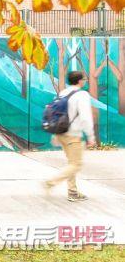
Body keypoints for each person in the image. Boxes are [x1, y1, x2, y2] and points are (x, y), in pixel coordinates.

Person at [44, 71, 96, 202]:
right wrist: (91, 137)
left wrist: (56, 134)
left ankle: (72, 192)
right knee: (76, 164)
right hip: (73, 135)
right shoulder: (82, 95)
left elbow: (56, 113)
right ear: (80, 81)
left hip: (61, 132)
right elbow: (86, 118)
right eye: (84, 79)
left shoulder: (63, 93)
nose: (84, 81)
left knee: (71, 163)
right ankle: (51, 182)